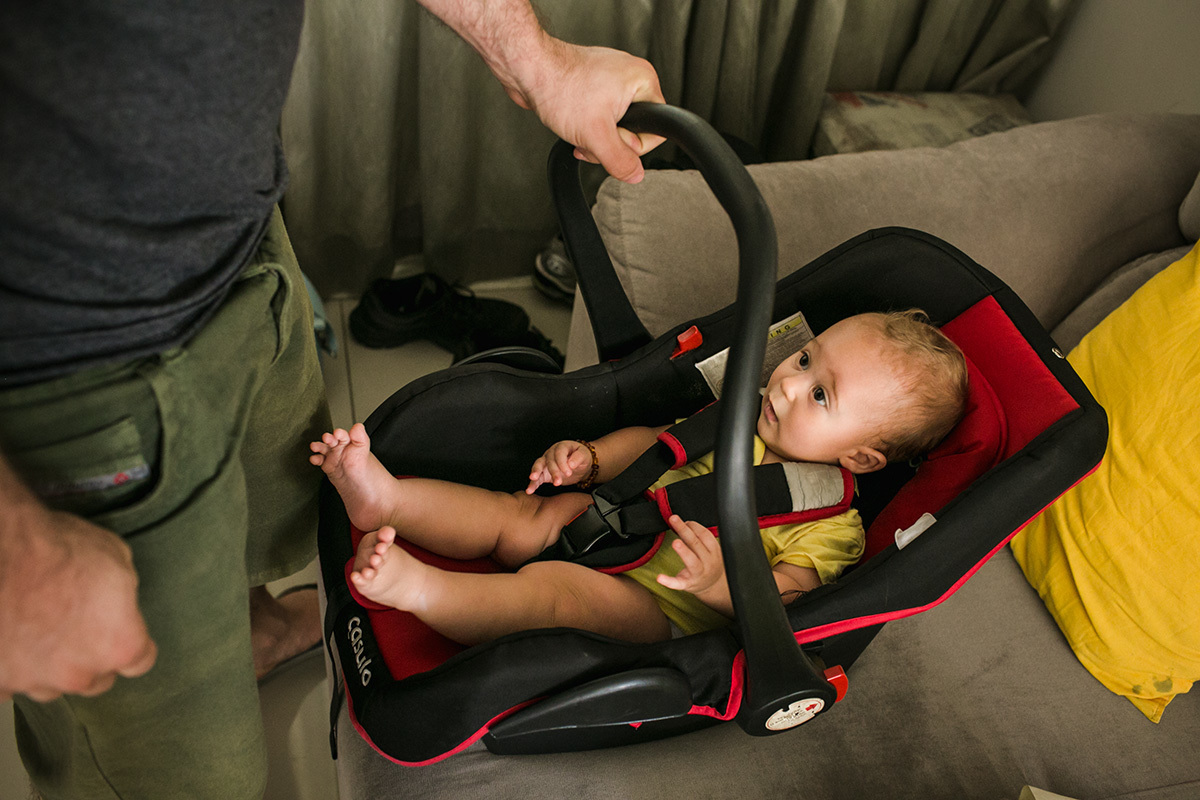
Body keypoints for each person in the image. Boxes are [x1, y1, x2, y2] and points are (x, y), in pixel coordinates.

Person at [0, 1, 664, 797]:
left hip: (228, 245)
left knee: (268, 510)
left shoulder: (821, 506)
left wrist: (536, 57)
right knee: (173, 765)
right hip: (71, 353)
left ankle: (266, 621)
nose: (793, 381)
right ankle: (393, 531)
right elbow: (661, 437)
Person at [310, 311, 969, 644]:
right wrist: (591, 458)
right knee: (519, 513)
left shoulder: (830, 521)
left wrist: (720, 586)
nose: (790, 384)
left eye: (822, 395)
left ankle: (422, 591)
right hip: (604, 517)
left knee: (553, 592)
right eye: (802, 358)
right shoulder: (743, 413)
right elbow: (657, 448)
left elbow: (789, 603)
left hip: (663, 607)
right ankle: (387, 498)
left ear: (859, 459)